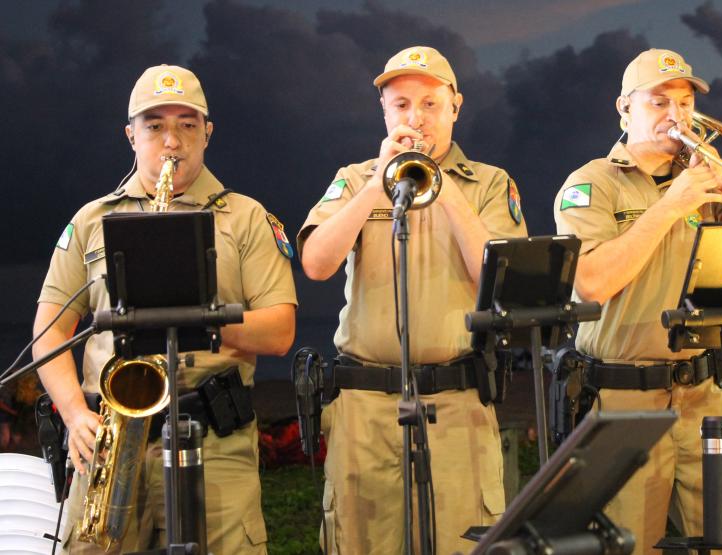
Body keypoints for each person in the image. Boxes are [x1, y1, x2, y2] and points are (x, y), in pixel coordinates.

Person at [33, 64, 297, 554]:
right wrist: (73, 415)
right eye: (155, 126)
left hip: (215, 439)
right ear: (130, 135)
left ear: (207, 133)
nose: (171, 141)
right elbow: (49, 332)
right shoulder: (92, 220)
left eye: (186, 125)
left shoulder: (247, 217)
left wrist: (199, 320)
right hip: (112, 441)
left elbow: (280, 330)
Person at [553, 48, 722, 554]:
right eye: (659, 101)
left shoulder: (706, 183)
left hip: (707, 392)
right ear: (624, 108)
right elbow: (592, 284)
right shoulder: (591, 184)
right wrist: (673, 204)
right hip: (624, 400)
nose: (676, 114)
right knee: (627, 544)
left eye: (686, 102)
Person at [298, 45, 527, 554]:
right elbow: (316, 263)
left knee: (463, 543)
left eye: (429, 103)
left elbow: (500, 280)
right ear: (384, 112)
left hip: (456, 402)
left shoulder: (489, 184)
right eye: (401, 105)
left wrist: (443, 187)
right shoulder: (355, 177)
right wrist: (377, 186)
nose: (415, 117)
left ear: (455, 106)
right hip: (364, 407)